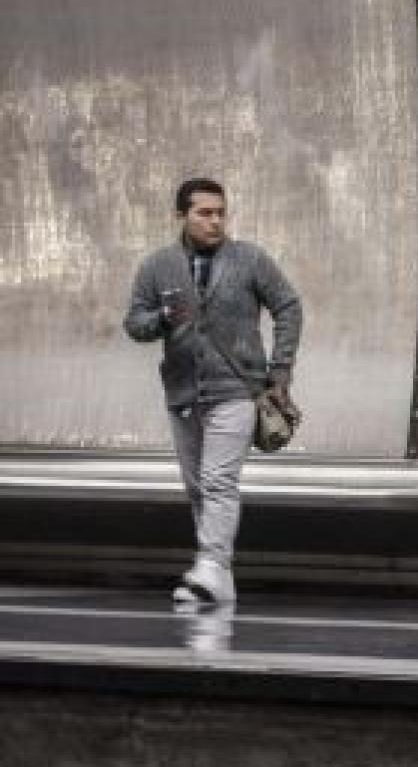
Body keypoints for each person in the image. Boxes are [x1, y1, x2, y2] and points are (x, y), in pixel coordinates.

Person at [123, 178, 302, 606]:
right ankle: (218, 575)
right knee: (197, 486)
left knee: (219, 480)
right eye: (205, 213)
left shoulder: (249, 259)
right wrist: (163, 318)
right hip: (184, 393)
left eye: (221, 212)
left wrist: (280, 369)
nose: (215, 221)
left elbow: (288, 306)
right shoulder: (157, 266)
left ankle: (211, 564)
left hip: (237, 389)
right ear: (181, 216)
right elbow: (134, 323)